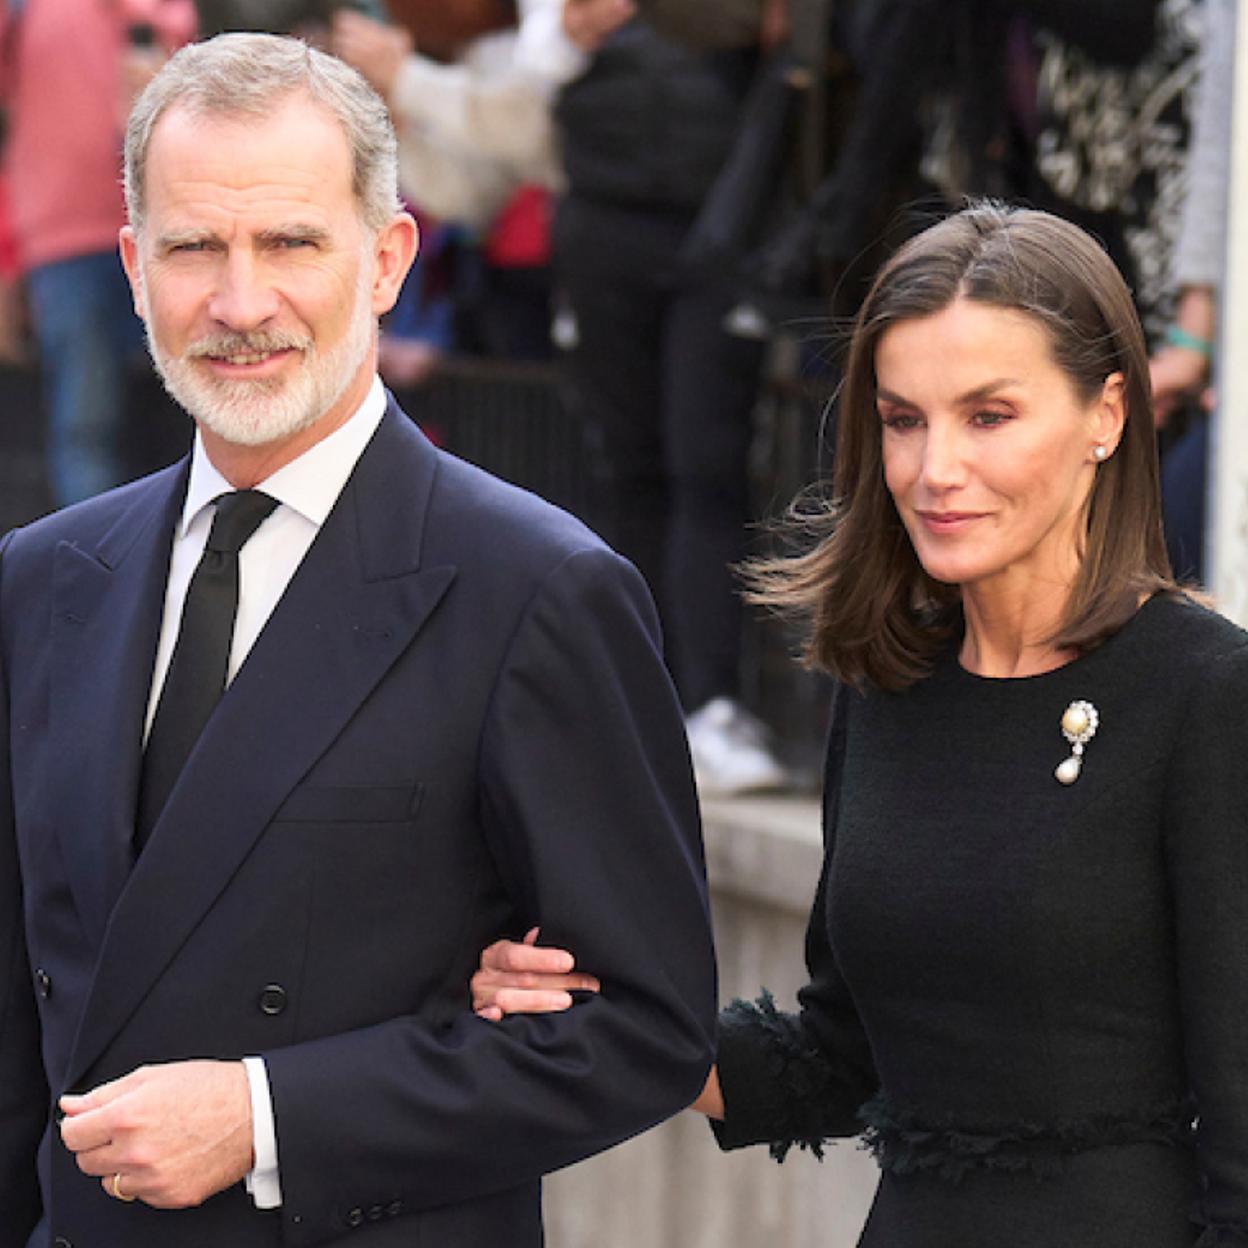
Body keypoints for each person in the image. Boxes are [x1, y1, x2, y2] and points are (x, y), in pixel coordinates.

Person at [0, 32, 716, 1248]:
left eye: (288, 242)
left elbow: (643, 1027)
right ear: (131, 268)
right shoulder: (38, 581)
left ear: (387, 260)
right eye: (192, 248)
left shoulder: (538, 588)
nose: (238, 302)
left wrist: (268, 1115)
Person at [471, 202, 1248, 1246]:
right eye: (903, 419)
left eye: (990, 416)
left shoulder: (1204, 692)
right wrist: (598, 1018)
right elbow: (839, 1062)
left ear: (1106, 416)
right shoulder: (887, 689)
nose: (935, 470)